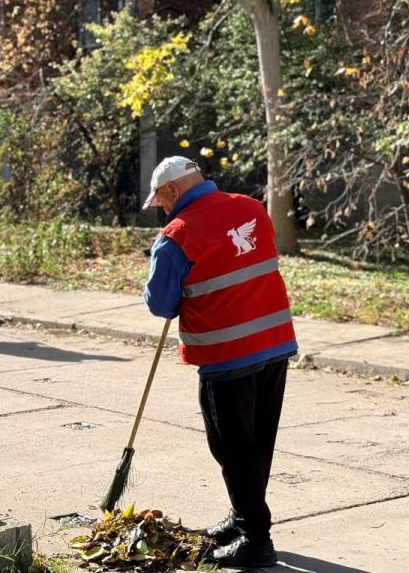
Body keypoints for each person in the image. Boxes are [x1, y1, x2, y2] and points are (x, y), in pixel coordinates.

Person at [142, 156, 297, 569]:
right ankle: (242, 516)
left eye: (159, 200)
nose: (161, 208)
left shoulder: (176, 234)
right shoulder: (251, 207)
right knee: (257, 441)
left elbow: (161, 304)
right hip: (275, 344)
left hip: (227, 356)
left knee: (232, 447)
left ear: (172, 190)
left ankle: (256, 539)